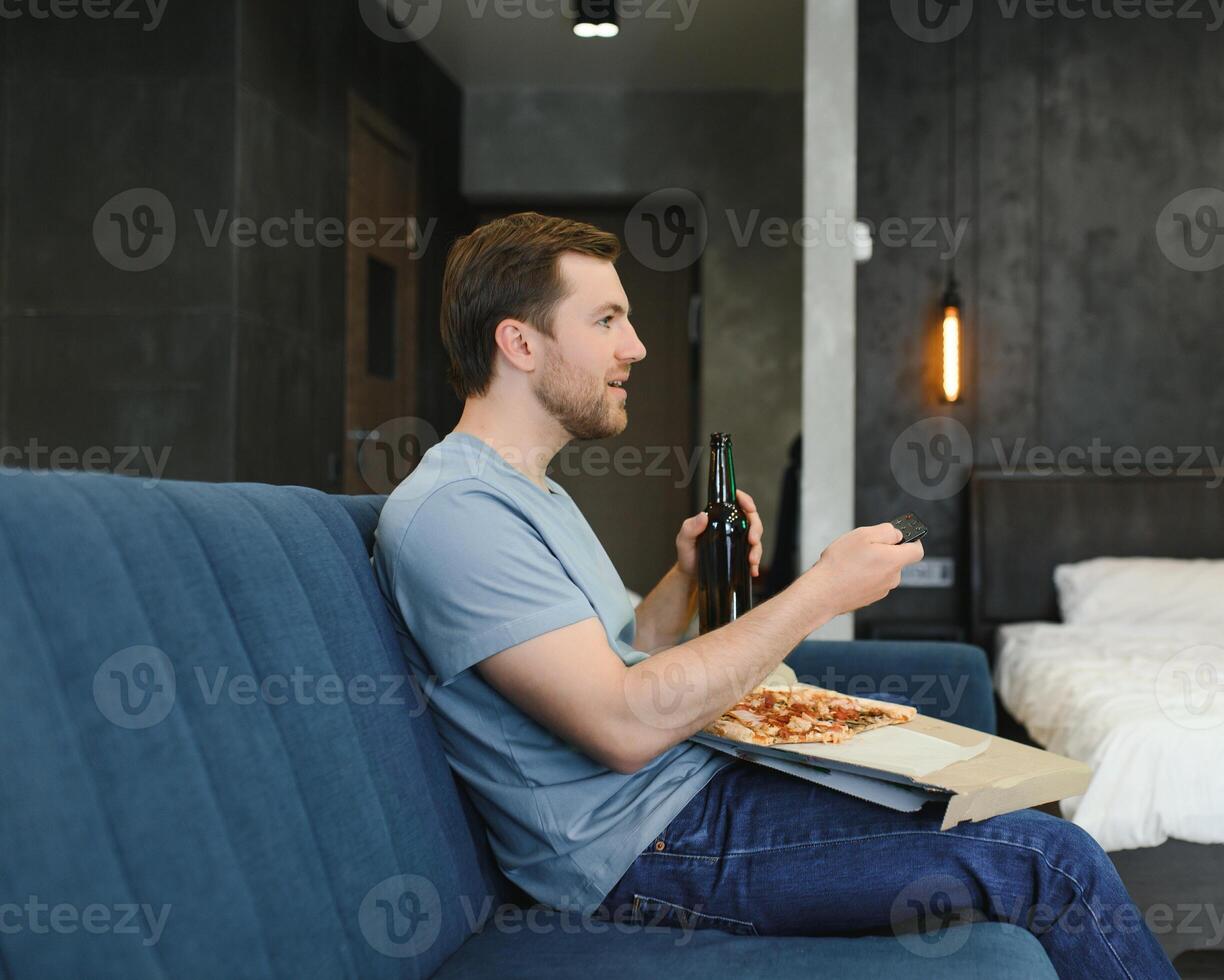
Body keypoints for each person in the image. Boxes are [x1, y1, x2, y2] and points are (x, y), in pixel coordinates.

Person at [373, 212, 1177, 979]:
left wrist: (684, 579)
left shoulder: (527, 491)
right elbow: (619, 724)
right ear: (518, 342)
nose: (637, 346)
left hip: (691, 785)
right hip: (638, 847)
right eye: (607, 320)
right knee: (1050, 859)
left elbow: (622, 657)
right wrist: (822, 590)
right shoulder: (457, 515)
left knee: (958, 768)